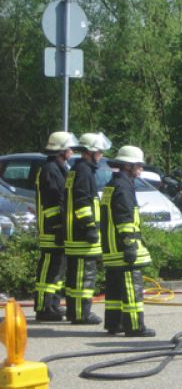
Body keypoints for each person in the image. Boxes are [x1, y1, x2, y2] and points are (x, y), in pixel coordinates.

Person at [100, 145, 155, 337]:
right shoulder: (123, 186)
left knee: (114, 291)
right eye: (138, 165)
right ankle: (134, 326)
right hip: (123, 249)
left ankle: (114, 324)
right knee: (132, 289)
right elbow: (124, 218)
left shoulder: (112, 184)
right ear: (127, 166)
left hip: (112, 248)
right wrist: (130, 244)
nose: (140, 169)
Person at [64, 132, 111, 325]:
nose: (101, 155)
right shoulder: (84, 171)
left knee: (75, 277)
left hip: (75, 233)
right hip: (82, 235)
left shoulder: (78, 169)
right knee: (84, 277)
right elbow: (82, 201)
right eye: (99, 151)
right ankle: (81, 314)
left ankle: (74, 311)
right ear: (90, 152)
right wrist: (90, 226)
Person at [33, 131, 79, 322]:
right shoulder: (51, 169)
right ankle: (43, 307)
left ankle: (53, 304)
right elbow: (54, 201)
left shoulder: (57, 167)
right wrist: (59, 226)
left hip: (57, 227)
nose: (72, 151)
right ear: (61, 150)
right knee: (49, 267)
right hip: (51, 228)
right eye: (69, 148)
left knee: (57, 268)